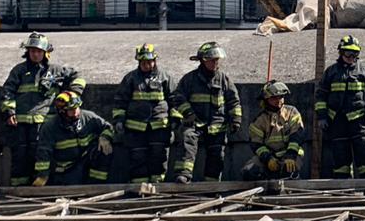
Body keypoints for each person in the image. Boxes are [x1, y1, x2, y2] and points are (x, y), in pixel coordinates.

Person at [0, 32, 85, 186]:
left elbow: (77, 76)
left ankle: (40, 189)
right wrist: (9, 112)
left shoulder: (55, 70)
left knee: (41, 156)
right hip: (20, 124)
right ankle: (19, 191)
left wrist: (74, 93)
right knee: (20, 157)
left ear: (46, 53)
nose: (35, 54)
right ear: (28, 52)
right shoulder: (19, 70)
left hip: (44, 123)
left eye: (39, 51)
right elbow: (7, 91)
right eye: (32, 51)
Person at [315, 35, 365, 178]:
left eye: (355, 53)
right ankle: (344, 190)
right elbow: (320, 95)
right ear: (341, 52)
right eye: (348, 53)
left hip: (359, 122)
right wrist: (322, 116)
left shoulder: (364, 70)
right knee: (340, 160)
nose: (352, 56)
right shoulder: (331, 72)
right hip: (337, 122)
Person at [172, 42, 242, 183]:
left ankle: (212, 183)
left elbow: (234, 102)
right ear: (203, 61)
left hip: (217, 126)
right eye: (212, 60)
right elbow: (177, 97)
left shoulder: (224, 79)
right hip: (194, 123)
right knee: (187, 140)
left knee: (217, 153)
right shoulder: (190, 79)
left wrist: (235, 120)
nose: (216, 63)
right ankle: (184, 175)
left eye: (217, 60)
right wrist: (188, 113)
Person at [111, 44, 180, 184]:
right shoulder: (130, 79)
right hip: (135, 129)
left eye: (149, 62)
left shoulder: (165, 78)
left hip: (160, 127)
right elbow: (120, 102)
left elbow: (176, 100)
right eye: (143, 62)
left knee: (159, 158)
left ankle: (157, 188)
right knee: (137, 159)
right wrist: (119, 120)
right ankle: (139, 190)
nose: (146, 65)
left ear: (155, 60)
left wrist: (175, 119)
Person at [31, 91, 113, 187]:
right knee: (71, 187)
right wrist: (42, 176)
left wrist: (105, 137)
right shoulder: (50, 127)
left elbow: (108, 127)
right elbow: (44, 153)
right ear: (62, 111)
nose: (76, 112)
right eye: (71, 110)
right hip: (66, 169)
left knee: (100, 152)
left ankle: (96, 186)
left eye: (77, 108)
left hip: (85, 161)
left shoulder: (88, 117)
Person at [242, 81, 306, 181]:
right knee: (249, 172)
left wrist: (290, 156)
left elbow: (297, 136)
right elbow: (256, 144)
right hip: (269, 157)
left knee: (288, 172)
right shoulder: (259, 120)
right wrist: (268, 159)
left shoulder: (292, 112)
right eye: (274, 98)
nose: (278, 100)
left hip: (291, 155)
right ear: (266, 100)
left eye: (281, 97)